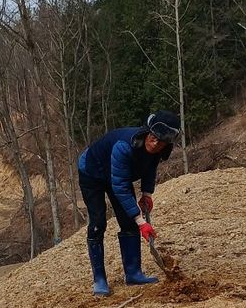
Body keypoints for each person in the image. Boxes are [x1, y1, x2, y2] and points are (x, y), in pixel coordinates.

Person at [77, 110, 181, 296]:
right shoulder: (124, 146)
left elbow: (150, 169)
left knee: (128, 222)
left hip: (117, 176)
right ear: (147, 132)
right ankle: (99, 279)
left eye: (160, 142)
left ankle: (133, 273)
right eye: (153, 138)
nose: (155, 144)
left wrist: (147, 194)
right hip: (92, 172)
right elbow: (120, 187)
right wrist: (141, 222)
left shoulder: (158, 150)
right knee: (98, 223)